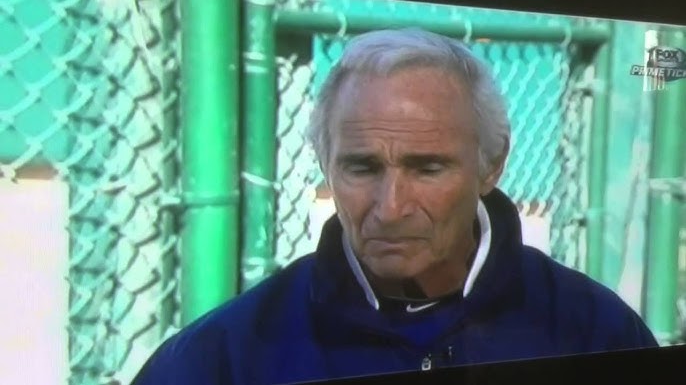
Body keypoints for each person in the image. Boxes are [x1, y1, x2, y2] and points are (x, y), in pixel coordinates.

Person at [132, 28, 658, 385]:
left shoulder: (594, 332)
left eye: (427, 168)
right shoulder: (224, 357)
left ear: (491, 164)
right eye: (362, 168)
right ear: (325, 162)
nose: (390, 207)